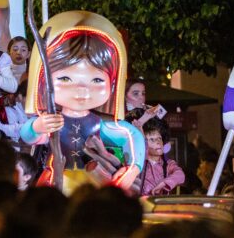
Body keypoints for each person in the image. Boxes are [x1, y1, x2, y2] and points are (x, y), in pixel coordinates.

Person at [20, 11, 145, 194]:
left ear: (112, 86)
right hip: (56, 184)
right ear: (44, 82)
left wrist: (133, 168)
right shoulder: (53, 122)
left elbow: (132, 135)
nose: (81, 90)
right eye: (65, 78)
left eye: (96, 80)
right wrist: (38, 126)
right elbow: (28, 135)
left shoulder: (99, 124)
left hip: (91, 185)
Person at [140, 118, 185, 196]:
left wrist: (164, 183)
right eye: (152, 139)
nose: (158, 142)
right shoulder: (139, 163)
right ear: (143, 143)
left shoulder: (168, 164)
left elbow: (180, 175)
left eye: (159, 138)